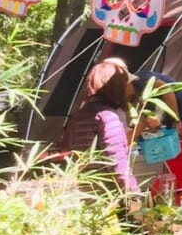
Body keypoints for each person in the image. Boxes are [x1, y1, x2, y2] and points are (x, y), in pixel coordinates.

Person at [58, 59, 137, 192]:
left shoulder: (81, 113)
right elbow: (117, 161)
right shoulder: (107, 116)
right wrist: (135, 194)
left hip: (84, 189)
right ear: (117, 86)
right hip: (106, 192)